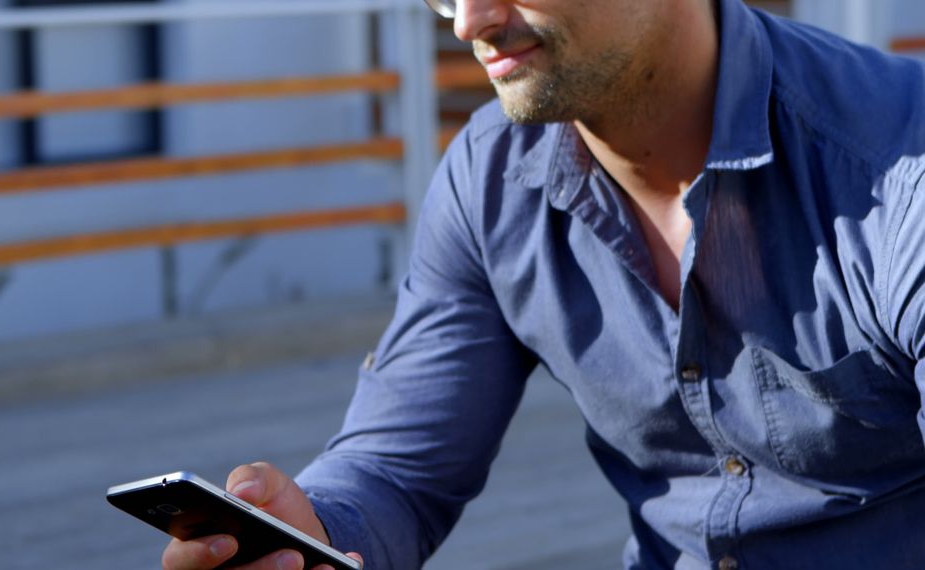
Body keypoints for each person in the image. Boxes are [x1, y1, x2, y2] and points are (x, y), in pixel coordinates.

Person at [163, 0, 925, 568]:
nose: (468, 21)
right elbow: (398, 468)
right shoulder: (490, 178)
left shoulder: (896, 165)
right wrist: (311, 535)